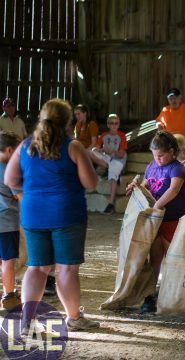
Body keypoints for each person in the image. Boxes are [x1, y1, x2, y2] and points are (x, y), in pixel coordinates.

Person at [4, 98, 100, 331]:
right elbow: (90, 182)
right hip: (67, 213)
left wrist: (24, 193)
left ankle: (27, 321)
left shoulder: (26, 146)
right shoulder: (73, 146)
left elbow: (10, 179)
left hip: (33, 213)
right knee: (66, 268)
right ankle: (74, 318)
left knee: (37, 267)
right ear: (67, 121)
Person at [127, 131, 185, 313]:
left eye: (161, 155)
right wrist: (137, 189)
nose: (158, 159)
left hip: (172, 219)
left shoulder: (177, 168)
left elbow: (174, 190)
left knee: (173, 258)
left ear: (171, 151)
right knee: (155, 258)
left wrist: (156, 208)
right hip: (155, 221)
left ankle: (174, 295)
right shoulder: (152, 165)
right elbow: (147, 185)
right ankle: (150, 295)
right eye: (155, 155)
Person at [0, 131, 22, 311]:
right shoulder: (9, 170)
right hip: (6, 221)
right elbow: (21, 196)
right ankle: (9, 296)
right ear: (8, 150)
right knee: (8, 261)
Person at [89, 114, 128, 214]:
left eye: (116, 123)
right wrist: (104, 150)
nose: (114, 125)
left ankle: (110, 203)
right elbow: (95, 149)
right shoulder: (104, 135)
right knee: (91, 153)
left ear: (118, 125)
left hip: (118, 159)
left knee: (113, 177)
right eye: (111, 123)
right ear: (108, 124)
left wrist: (113, 152)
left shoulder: (121, 135)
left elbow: (121, 154)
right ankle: (109, 169)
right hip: (108, 158)